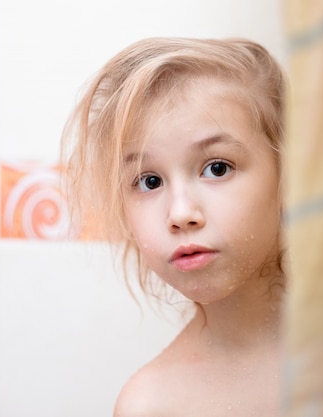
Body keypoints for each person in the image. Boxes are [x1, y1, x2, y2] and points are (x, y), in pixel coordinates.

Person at [63, 37, 286, 417]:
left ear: (289, 172)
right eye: (149, 181)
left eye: (217, 168)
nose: (180, 213)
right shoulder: (151, 405)